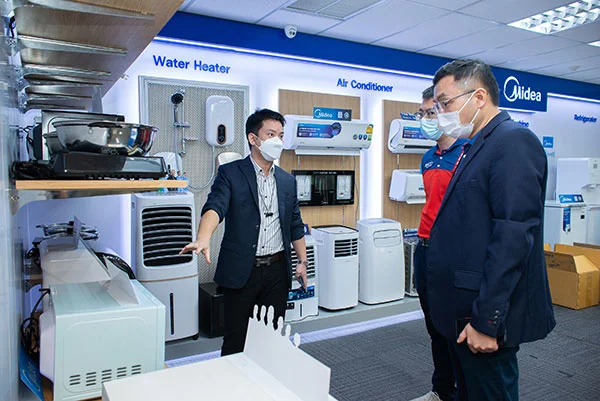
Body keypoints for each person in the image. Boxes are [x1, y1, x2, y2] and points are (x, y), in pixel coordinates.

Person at [426, 59, 556, 401]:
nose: (440, 113)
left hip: (482, 317)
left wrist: (486, 321)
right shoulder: (476, 146)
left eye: (445, 103)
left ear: (479, 97)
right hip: (462, 312)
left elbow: (513, 237)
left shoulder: (513, 142)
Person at [180, 108, 308, 356]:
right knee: (236, 341)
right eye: (271, 134)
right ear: (253, 138)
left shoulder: (287, 181)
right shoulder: (231, 173)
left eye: (281, 135)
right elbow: (215, 207)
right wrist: (203, 237)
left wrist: (302, 262)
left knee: (271, 338)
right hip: (242, 271)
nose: (277, 141)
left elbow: (295, 224)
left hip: (277, 272)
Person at [411, 85, 466, 401]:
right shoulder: (428, 157)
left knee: (454, 329)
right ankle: (442, 391)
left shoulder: (466, 153)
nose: (425, 119)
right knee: (434, 327)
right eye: (422, 113)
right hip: (424, 247)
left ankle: (462, 392)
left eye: (431, 112)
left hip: (451, 251)